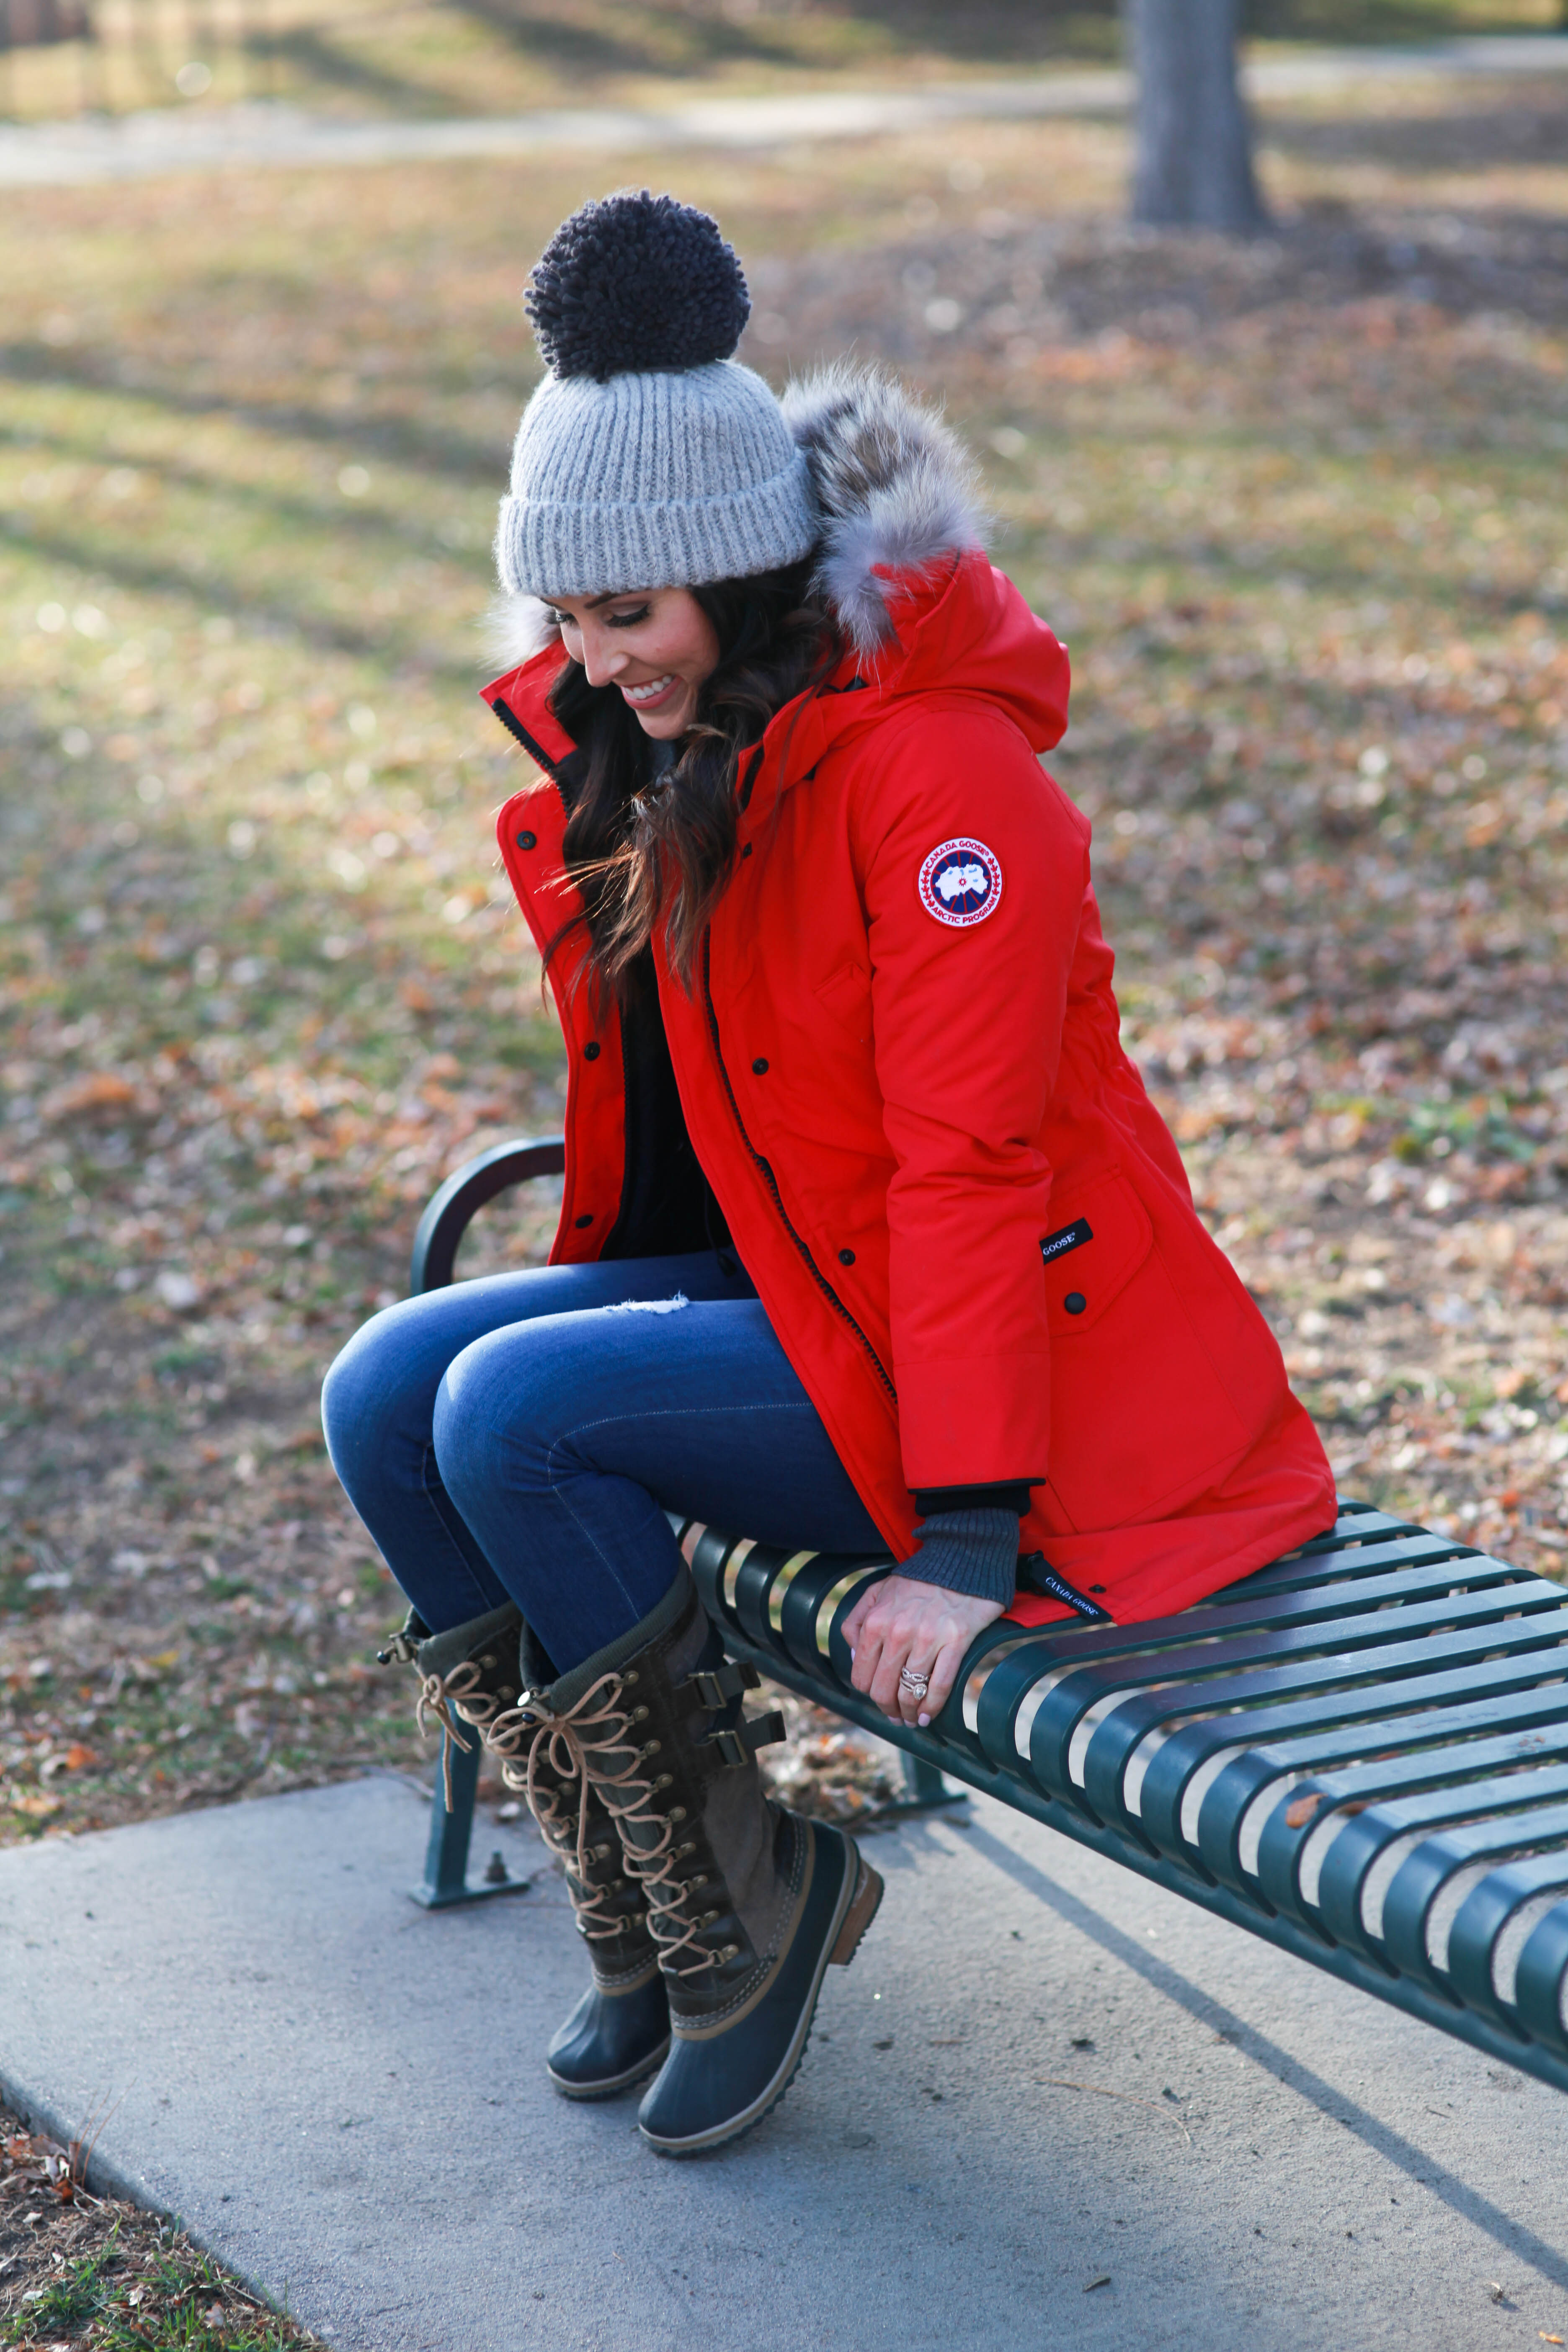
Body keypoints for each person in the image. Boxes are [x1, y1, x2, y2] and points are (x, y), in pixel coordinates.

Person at [322, 189, 1335, 2158]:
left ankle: (750, 1904)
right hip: (828, 1300)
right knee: (391, 1385)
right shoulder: (694, 757)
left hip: (1039, 1383)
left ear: (736, 572)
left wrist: (963, 1542)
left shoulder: (942, 779)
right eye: (571, 622)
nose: (596, 663)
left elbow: (969, 1164)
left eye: (631, 617)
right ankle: (645, 1880)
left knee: (516, 1414)